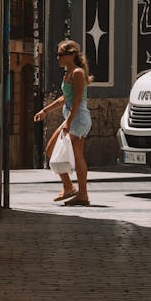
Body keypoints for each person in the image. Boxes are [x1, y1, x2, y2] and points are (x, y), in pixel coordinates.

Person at [34, 39, 92, 206]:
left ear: (71, 55)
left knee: (51, 149)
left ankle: (70, 188)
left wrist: (68, 121)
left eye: (61, 54)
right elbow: (64, 98)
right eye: (57, 54)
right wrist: (45, 111)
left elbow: (78, 100)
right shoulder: (68, 73)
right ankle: (81, 194)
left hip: (78, 119)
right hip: (73, 118)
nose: (58, 57)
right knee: (78, 156)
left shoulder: (77, 73)